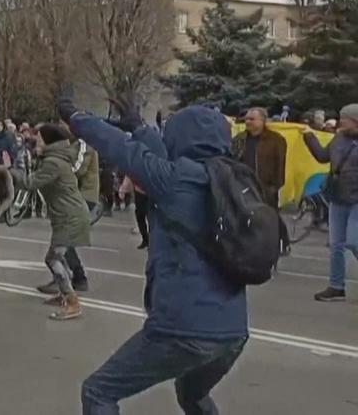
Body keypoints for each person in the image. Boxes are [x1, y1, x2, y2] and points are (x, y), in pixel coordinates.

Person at [60, 99, 248, 415]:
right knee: (192, 395)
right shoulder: (233, 179)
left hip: (182, 329)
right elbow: (156, 155)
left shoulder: (173, 181)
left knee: (99, 392)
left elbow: (120, 147)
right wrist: (139, 126)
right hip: (234, 331)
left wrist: (76, 117)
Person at [19, 124, 90, 320]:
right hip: (68, 215)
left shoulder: (53, 163)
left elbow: (29, 183)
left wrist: (9, 172)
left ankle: (72, 302)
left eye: (39, 138)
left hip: (70, 217)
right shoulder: (55, 159)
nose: (35, 141)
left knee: (53, 258)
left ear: (49, 141)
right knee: (60, 256)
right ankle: (63, 295)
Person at [302, 104, 358, 302]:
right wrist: (309, 137)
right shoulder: (339, 138)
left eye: (346, 119)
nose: (341, 122)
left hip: (356, 200)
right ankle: (336, 287)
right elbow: (322, 156)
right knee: (336, 245)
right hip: (338, 196)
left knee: (353, 241)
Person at [232, 107, 289, 254]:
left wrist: (275, 186)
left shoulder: (276, 140)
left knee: (270, 219)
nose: (248, 122)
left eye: (252, 119)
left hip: (266, 187)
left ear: (263, 121)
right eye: (246, 119)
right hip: (243, 186)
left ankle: (278, 245)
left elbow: (280, 164)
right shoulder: (239, 139)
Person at [119, 175, 149, 249]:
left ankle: (152, 242)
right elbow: (130, 173)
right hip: (140, 191)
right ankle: (145, 239)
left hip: (152, 192)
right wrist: (123, 189)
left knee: (152, 218)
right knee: (140, 215)